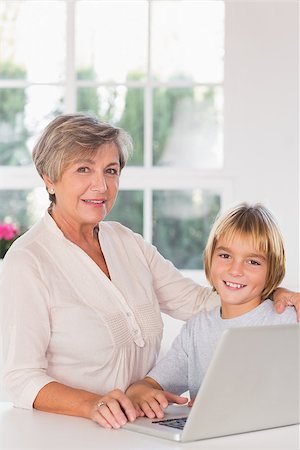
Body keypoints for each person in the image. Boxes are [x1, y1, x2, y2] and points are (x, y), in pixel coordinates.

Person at [0, 115, 298, 430]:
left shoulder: (126, 242)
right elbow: (20, 377)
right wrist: (93, 404)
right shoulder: (28, 261)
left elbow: (200, 303)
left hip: (140, 427)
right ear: (49, 177)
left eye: (111, 171)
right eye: (83, 169)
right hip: (71, 431)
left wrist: (270, 293)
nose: (101, 186)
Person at [126, 203, 298, 419]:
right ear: (210, 258)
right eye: (225, 256)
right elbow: (151, 384)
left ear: (272, 270)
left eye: (253, 262)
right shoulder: (196, 329)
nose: (236, 270)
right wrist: (139, 391)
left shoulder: (288, 321)